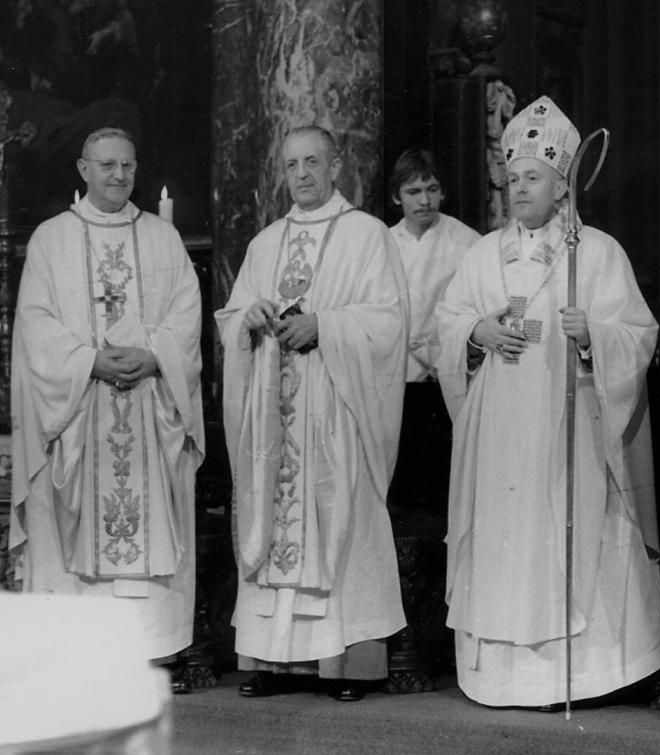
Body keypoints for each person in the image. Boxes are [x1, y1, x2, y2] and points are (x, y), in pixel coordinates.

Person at [436, 96, 660, 709]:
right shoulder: (482, 254)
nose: (519, 188)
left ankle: (584, 674)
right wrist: (475, 332)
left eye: (532, 178)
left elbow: (639, 334)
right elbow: (445, 324)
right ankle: (503, 676)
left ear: (562, 183)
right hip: (499, 434)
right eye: (512, 178)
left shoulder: (595, 252)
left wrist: (594, 333)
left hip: (571, 427)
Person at [216, 125, 409, 702]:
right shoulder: (265, 242)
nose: (301, 173)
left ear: (336, 166)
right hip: (274, 413)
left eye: (312, 162)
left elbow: (391, 321)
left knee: (339, 522)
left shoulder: (367, 234)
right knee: (275, 524)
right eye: (292, 163)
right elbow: (232, 316)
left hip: (335, 408)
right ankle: (269, 662)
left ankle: (346, 665)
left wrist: (325, 325)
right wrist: (248, 320)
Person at [10, 126, 204, 693]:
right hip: (81, 412)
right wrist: (88, 362)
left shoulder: (162, 240)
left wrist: (154, 356)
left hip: (147, 406)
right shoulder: (52, 239)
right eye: (107, 166)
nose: (119, 176)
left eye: (127, 166)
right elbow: (35, 327)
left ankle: (149, 650)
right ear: (83, 169)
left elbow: (187, 317)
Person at [387, 149, 479, 516]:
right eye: (413, 191)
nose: (424, 200)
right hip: (395, 373)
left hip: (445, 371)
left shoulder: (467, 242)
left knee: (442, 480)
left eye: (431, 189)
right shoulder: (383, 242)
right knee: (400, 475)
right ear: (397, 196)